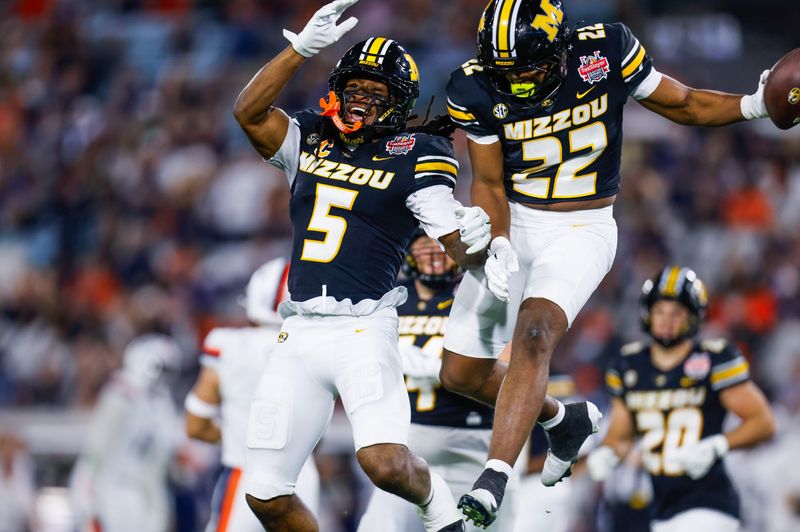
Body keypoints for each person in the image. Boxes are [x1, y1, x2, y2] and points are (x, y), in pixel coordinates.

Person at [438, 0, 776, 526]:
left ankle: (494, 475)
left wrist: (754, 105)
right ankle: (562, 418)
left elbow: (683, 103)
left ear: (558, 48)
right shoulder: (474, 84)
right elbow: (487, 183)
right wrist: (499, 241)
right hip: (516, 217)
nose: (516, 79)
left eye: (525, 66)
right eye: (504, 69)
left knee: (535, 333)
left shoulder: (605, 48)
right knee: (459, 372)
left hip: (582, 226)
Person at [232, 1, 496, 530]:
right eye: (355, 88)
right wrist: (299, 51)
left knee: (385, 465)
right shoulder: (309, 135)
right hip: (299, 329)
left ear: (398, 105)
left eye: (377, 94)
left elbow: (456, 247)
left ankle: (446, 518)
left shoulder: (418, 152)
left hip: (363, 326)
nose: (362, 100)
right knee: (263, 493)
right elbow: (248, 113)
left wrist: (471, 239)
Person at [586, 266, 776, 532]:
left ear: (693, 317)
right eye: (660, 311)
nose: (666, 320)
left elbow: (764, 422)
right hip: (661, 506)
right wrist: (608, 454)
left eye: (676, 313)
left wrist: (719, 445)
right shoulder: (629, 364)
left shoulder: (714, 358)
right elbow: (620, 434)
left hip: (709, 501)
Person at [357, 231, 518, 532]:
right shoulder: (390, 300)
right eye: (424, 246)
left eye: (441, 247)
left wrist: (439, 368)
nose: (433, 254)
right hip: (407, 440)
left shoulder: (479, 294)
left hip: (472, 439)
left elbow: (512, 372)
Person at [184, 258, 320, 532]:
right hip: (303, 476)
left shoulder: (229, 345)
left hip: (247, 473)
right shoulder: (319, 347)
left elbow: (195, 425)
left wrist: (238, 435)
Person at [70, 334, 183, 532]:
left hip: (149, 493)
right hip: (115, 490)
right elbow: (95, 450)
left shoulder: (161, 404)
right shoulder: (121, 395)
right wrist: (85, 500)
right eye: (163, 369)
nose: (166, 377)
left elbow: (171, 456)